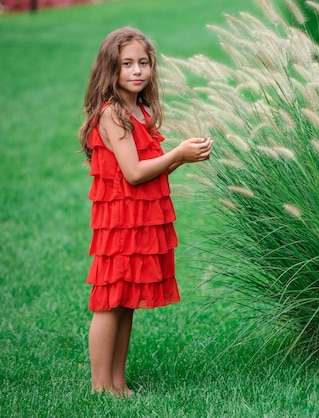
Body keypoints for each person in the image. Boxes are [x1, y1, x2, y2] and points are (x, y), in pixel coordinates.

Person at [78, 26, 212, 396]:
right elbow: (134, 174)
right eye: (126, 64)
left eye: (143, 63)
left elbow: (153, 169)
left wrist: (183, 159)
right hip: (120, 221)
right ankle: (100, 385)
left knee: (126, 302)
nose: (136, 71)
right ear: (111, 69)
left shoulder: (140, 110)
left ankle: (117, 382)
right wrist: (178, 153)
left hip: (139, 220)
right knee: (110, 301)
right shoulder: (113, 114)